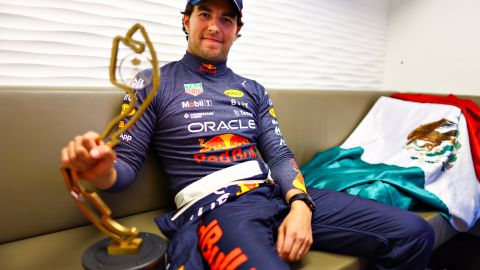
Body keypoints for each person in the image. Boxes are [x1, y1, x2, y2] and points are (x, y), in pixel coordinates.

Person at [61, 0, 435, 269]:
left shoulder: (252, 88)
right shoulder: (153, 83)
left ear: (237, 30)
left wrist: (301, 205)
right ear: (186, 20)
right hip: (216, 207)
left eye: (226, 19)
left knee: (415, 233)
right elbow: (121, 171)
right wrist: (99, 170)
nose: (214, 26)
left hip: (274, 193)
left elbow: (278, 152)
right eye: (204, 13)